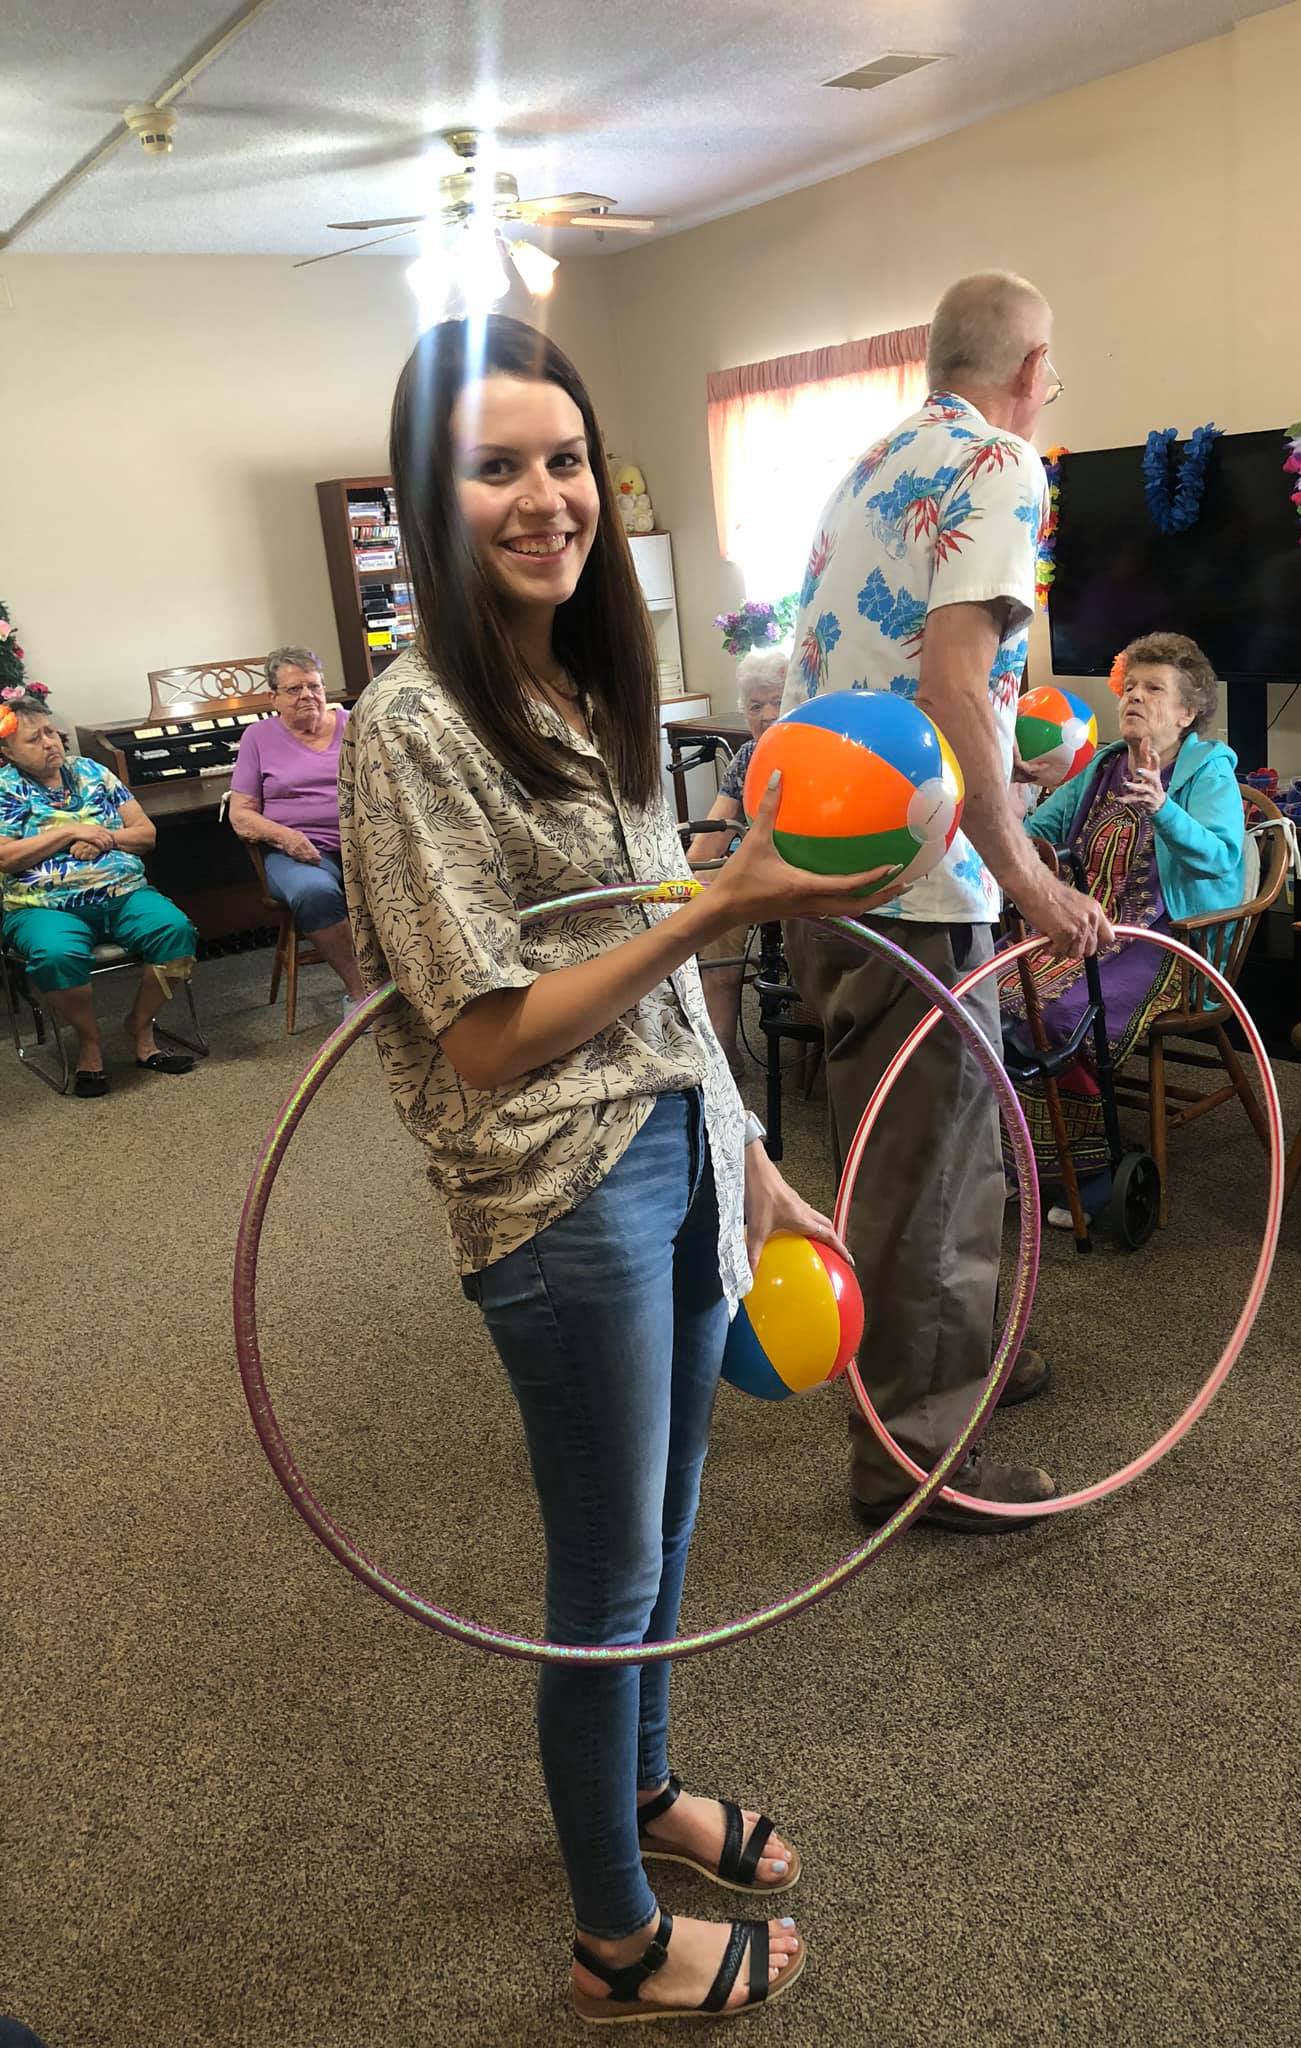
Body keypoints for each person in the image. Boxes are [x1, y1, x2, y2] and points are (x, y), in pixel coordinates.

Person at [339, 315, 905, 2025]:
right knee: (600, 1568)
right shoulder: (411, 726)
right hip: (553, 1187)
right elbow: (493, 1037)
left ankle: (644, 1788)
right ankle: (610, 1927)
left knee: (667, 1531)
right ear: (431, 502)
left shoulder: (585, 685)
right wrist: (727, 906)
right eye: (496, 465)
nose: (544, 496)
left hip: (667, 1141)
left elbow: (657, 963)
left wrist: (746, 1149)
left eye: (565, 457)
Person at [780, 272, 1113, 1534]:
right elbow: (954, 677)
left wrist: (1007, 752)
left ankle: (961, 1354)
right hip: (921, 886)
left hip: (826, 864)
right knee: (926, 1170)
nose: (1049, 395)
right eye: (1055, 376)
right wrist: (1029, 875)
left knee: (946, 1153)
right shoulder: (1004, 465)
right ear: (1029, 370)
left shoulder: (869, 461)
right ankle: (915, 1458)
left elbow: (890, 671)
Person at [1001, 633, 1245, 1222]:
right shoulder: (1106, 765)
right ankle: (1025, 1164)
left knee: (1061, 1016)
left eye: (1154, 688)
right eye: (1130, 686)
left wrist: (1163, 808)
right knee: (996, 997)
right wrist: (1014, 801)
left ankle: (1088, 1178)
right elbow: (1043, 832)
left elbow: (1220, 858)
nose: (1135, 696)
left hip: (1165, 940)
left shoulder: (1208, 774)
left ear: (1187, 713)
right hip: (1083, 927)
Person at [0, 686, 199, 1097]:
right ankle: (89, 1043)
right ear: (8, 753)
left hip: (123, 893)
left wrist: (103, 837)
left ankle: (141, 1030)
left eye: (51, 733)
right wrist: (69, 832)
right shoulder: (4, 789)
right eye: (33, 739)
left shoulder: (93, 771)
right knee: (55, 955)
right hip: (43, 908)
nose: (49, 743)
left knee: (178, 936)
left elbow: (145, 834)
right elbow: (4, 858)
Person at [227, 647, 364, 1007]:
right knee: (313, 893)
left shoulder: (354, 723)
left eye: (314, 686)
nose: (307, 696)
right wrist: (286, 837)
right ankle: (360, 992)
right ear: (273, 697)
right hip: (297, 853)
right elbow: (241, 814)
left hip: (362, 843)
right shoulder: (258, 737)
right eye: (294, 689)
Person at [686, 646, 787, 1071]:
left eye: (778, 702)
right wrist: (685, 885)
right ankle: (721, 1055)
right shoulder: (747, 757)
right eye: (755, 705)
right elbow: (715, 829)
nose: (766, 715)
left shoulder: (819, 753)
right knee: (709, 912)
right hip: (748, 872)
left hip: (798, 874)